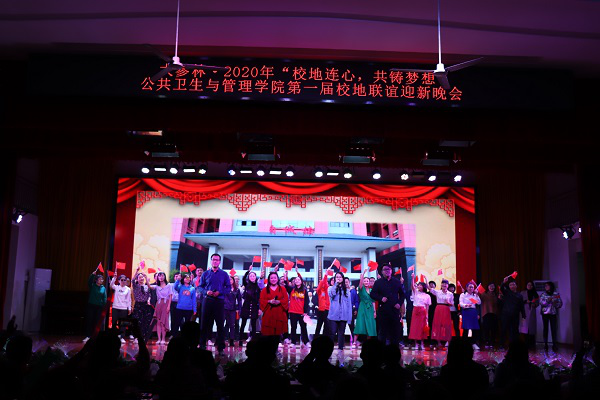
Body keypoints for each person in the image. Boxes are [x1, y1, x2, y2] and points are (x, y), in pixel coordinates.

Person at [197, 253, 231, 354]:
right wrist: (206, 292)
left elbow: (228, 288)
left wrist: (220, 292)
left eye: (217, 260)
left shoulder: (224, 274)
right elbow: (200, 287)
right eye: (213, 259)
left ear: (219, 262)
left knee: (220, 325)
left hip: (219, 301)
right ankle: (202, 345)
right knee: (203, 324)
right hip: (207, 300)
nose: (215, 261)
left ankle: (220, 348)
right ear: (211, 261)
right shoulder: (205, 274)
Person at [370, 264, 406, 347]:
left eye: (388, 269)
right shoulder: (378, 282)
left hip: (394, 310)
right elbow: (372, 294)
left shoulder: (397, 282)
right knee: (382, 332)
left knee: (395, 331)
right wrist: (380, 298)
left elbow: (402, 295)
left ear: (391, 271)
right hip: (383, 310)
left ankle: (394, 350)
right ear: (382, 272)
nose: (387, 271)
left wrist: (399, 303)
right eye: (385, 270)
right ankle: (381, 350)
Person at [286, 268, 310, 349]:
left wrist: (305, 312)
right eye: (295, 280)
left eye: (298, 279)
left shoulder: (304, 290)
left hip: (301, 312)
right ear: (294, 282)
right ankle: (293, 342)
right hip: (293, 312)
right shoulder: (291, 289)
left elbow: (306, 302)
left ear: (301, 281)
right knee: (293, 327)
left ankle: (306, 342)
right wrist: (286, 276)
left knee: (303, 328)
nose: (297, 281)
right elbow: (286, 284)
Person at [328, 271, 353, 350]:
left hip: (343, 315)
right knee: (332, 333)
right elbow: (332, 294)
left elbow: (349, 305)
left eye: (340, 277)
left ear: (343, 278)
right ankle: (329, 349)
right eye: (337, 277)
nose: (338, 278)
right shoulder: (331, 288)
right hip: (333, 314)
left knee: (341, 333)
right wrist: (336, 284)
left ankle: (340, 350)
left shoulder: (347, 291)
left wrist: (349, 318)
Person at [260, 272, 289, 338]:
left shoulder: (282, 289)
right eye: (271, 278)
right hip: (269, 312)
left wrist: (279, 301)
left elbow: (286, 300)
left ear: (277, 279)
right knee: (268, 333)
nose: (273, 279)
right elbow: (261, 300)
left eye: (275, 278)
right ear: (269, 279)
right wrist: (269, 301)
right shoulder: (264, 290)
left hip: (279, 312)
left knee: (278, 332)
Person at [239, 266, 264, 344]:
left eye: (253, 276)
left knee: (254, 324)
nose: (252, 277)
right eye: (251, 276)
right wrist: (248, 271)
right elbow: (244, 278)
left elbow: (259, 299)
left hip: (254, 306)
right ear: (249, 277)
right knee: (243, 323)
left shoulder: (257, 287)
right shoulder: (246, 285)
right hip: (246, 306)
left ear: (255, 277)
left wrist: (259, 308)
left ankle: (253, 340)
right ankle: (240, 340)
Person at [499, 276, 526, 347]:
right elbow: (501, 288)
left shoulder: (519, 295)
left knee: (514, 330)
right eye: (510, 285)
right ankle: (501, 344)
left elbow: (521, 306)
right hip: (506, 315)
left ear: (516, 286)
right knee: (504, 329)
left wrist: (523, 315)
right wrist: (504, 282)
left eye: (513, 284)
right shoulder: (507, 292)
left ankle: (513, 345)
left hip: (515, 315)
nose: (512, 286)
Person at [83, 266, 107, 342]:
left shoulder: (103, 288)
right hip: (91, 306)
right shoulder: (92, 285)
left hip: (99, 307)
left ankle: (95, 336)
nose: (101, 280)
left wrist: (104, 305)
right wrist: (92, 275)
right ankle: (88, 336)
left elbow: (104, 297)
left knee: (97, 322)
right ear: (96, 280)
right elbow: (89, 281)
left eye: (102, 279)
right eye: (100, 279)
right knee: (90, 320)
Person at [353, 270, 377, 345]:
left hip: (370, 309)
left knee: (370, 325)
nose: (366, 282)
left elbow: (373, 301)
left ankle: (368, 343)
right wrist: (362, 275)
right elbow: (360, 284)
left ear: (369, 282)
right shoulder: (361, 289)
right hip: (362, 307)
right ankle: (354, 342)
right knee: (360, 324)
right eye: (365, 281)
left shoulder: (371, 290)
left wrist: (374, 312)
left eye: (367, 281)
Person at [131, 266, 154, 343]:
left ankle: (143, 336)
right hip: (138, 305)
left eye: (142, 277)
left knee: (145, 322)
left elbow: (149, 294)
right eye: (140, 277)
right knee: (137, 321)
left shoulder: (146, 286)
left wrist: (146, 277)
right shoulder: (136, 286)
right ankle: (136, 337)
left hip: (145, 306)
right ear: (137, 279)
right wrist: (136, 271)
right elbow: (132, 280)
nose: (141, 279)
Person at [429, 279, 454, 349]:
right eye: (443, 283)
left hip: (446, 309)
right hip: (438, 308)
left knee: (446, 325)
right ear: (441, 285)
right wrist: (426, 279)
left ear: (448, 286)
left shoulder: (450, 294)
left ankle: (448, 341)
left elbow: (452, 304)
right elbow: (429, 288)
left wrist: (448, 302)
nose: (444, 285)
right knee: (437, 325)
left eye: (445, 284)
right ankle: (438, 342)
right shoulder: (438, 292)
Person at [539, 281, 562, 352]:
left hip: (553, 313)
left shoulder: (556, 294)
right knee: (545, 329)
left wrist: (555, 303)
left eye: (547, 285)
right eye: (545, 286)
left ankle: (554, 345)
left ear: (551, 286)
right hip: (545, 313)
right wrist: (547, 301)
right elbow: (541, 303)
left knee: (554, 329)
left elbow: (560, 304)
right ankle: (545, 344)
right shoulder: (543, 294)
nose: (546, 287)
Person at [408, 281, 431, 350]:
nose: (419, 286)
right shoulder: (416, 293)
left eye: (420, 285)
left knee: (422, 327)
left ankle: (422, 343)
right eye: (418, 285)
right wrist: (412, 278)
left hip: (423, 311)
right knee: (415, 327)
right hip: (415, 310)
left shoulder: (427, 296)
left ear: (424, 287)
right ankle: (416, 344)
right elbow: (412, 286)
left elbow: (427, 306)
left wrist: (427, 315)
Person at [110, 274, 132, 343]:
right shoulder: (116, 287)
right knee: (114, 322)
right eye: (122, 280)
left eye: (125, 280)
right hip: (115, 307)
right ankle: (113, 336)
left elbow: (129, 299)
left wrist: (129, 308)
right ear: (119, 281)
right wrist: (114, 278)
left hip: (123, 308)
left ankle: (122, 337)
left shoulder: (128, 289)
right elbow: (111, 285)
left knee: (123, 323)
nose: (123, 281)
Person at [459, 282, 481, 349]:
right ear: (466, 288)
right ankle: (464, 343)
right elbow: (461, 303)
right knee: (466, 328)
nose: (471, 288)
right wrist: (466, 305)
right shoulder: (463, 295)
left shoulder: (474, 295)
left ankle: (473, 343)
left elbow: (479, 303)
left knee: (474, 328)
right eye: (470, 287)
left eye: (472, 287)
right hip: (466, 311)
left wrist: (477, 295)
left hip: (473, 312)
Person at [152, 271, 171, 345]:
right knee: (158, 322)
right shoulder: (156, 286)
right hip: (158, 304)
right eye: (159, 276)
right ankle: (159, 339)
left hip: (166, 303)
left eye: (162, 275)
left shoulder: (169, 285)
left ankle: (163, 339)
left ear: (164, 276)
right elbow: (149, 286)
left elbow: (170, 296)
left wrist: (169, 306)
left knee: (164, 322)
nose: (161, 277)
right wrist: (146, 278)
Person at [520, 281, 539, 349]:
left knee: (531, 328)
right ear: (526, 285)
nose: (529, 286)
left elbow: (537, 302)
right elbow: (519, 301)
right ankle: (526, 344)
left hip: (532, 311)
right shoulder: (522, 292)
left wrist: (535, 304)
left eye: (531, 285)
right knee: (525, 328)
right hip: (525, 311)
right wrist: (525, 301)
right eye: (528, 285)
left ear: (532, 286)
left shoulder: (535, 293)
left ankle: (532, 344)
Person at [224, 275, 242, 347]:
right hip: (224, 308)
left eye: (231, 279)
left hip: (233, 309)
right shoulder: (224, 288)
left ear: (233, 281)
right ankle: (221, 339)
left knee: (232, 325)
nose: (230, 281)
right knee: (222, 324)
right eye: (228, 279)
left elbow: (239, 300)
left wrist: (239, 309)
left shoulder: (236, 290)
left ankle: (231, 340)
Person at [480, 282, 499, 349]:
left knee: (493, 328)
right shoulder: (483, 294)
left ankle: (492, 342)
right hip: (486, 313)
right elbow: (478, 300)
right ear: (488, 287)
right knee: (486, 329)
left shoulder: (496, 294)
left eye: (493, 286)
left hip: (494, 313)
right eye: (490, 286)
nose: (491, 287)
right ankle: (487, 341)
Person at [315, 268, 333, 336]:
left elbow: (325, 284)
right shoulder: (320, 291)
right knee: (319, 325)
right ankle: (316, 338)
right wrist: (325, 275)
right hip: (321, 310)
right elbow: (320, 285)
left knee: (326, 326)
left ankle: (325, 338)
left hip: (328, 310)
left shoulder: (329, 290)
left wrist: (326, 276)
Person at [346, 277, 359, 348]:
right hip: (343, 312)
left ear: (349, 282)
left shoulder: (353, 291)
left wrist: (356, 309)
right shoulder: (342, 290)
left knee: (352, 327)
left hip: (351, 311)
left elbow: (356, 300)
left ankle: (354, 341)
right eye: (344, 282)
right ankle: (340, 342)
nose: (346, 283)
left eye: (347, 282)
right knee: (341, 327)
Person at [169, 271, 181, 337]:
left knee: (181, 319)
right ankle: (173, 334)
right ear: (174, 278)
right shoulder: (170, 285)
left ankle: (182, 334)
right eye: (176, 276)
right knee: (173, 318)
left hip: (180, 303)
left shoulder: (182, 285)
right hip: (172, 303)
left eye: (179, 276)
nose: (177, 277)